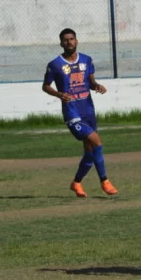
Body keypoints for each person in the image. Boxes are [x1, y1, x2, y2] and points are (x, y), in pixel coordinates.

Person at [42, 28, 118, 197]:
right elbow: (45, 86)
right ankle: (104, 181)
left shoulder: (86, 60)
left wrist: (97, 86)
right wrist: (59, 94)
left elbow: (90, 82)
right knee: (97, 143)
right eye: (65, 40)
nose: (69, 42)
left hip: (88, 110)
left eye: (72, 39)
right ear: (61, 43)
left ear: (76, 41)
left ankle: (76, 183)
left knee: (90, 153)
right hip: (72, 112)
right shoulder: (55, 64)